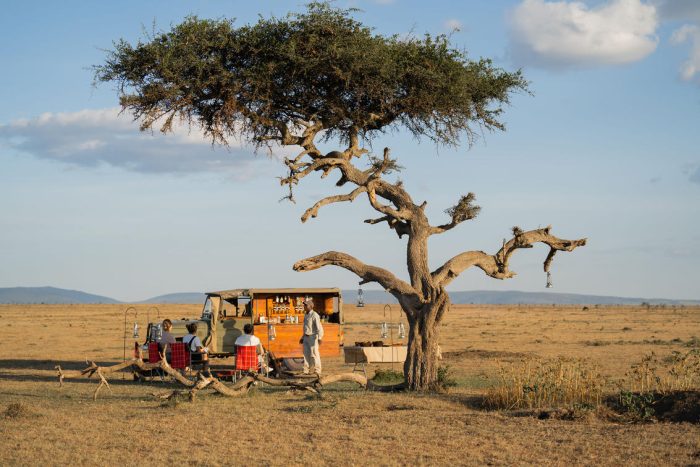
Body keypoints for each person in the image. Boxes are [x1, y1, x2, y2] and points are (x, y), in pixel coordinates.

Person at [298, 297, 324, 375]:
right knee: (306, 354)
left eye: (306, 305)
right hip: (306, 337)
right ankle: (306, 370)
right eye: (304, 305)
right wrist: (302, 337)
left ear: (310, 306)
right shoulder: (306, 315)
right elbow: (306, 328)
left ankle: (317, 370)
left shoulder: (314, 315)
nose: (304, 307)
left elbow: (319, 327)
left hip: (313, 337)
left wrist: (319, 338)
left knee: (314, 354)